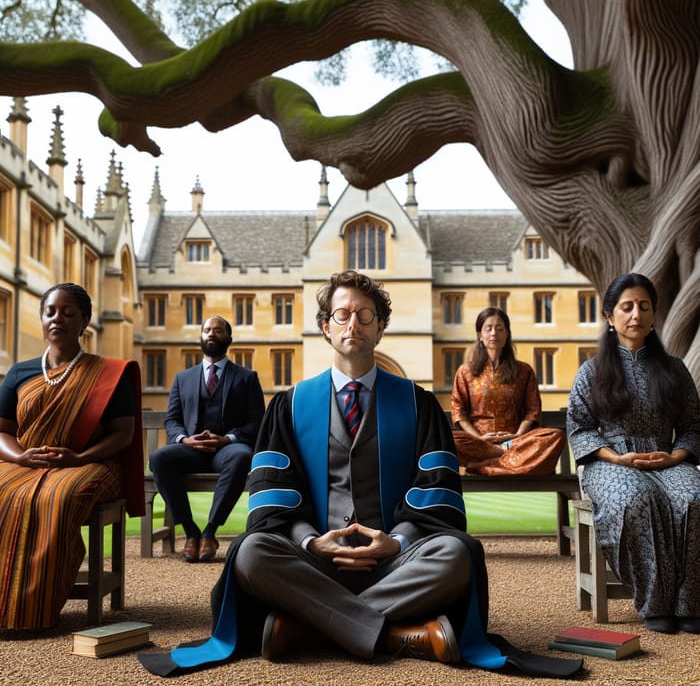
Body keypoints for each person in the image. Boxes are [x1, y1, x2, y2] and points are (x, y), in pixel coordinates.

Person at [139, 270, 581, 679]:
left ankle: (309, 626)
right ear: (326, 327)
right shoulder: (289, 406)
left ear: (380, 326)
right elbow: (272, 494)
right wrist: (312, 541)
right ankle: (400, 634)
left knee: (458, 554)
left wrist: (398, 540)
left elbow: (437, 490)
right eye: (343, 314)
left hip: (396, 562)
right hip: (314, 559)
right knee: (252, 552)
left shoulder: (418, 404)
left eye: (365, 315)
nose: (354, 324)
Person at [0, 283, 143, 629]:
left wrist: (77, 458)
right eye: (50, 312)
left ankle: (35, 609)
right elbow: (2, 430)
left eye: (68, 313)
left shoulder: (108, 374)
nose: (57, 319)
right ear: (42, 318)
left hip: (91, 463)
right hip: (27, 463)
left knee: (57, 496)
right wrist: (19, 458)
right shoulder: (20, 372)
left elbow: (123, 434)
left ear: (85, 321)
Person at [567, 273, 700, 634]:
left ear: (654, 314)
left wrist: (675, 456)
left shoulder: (674, 369)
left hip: (667, 459)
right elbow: (579, 428)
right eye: (626, 307)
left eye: (644, 306)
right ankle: (655, 603)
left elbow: (692, 425)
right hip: (609, 461)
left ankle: (690, 604)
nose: (635, 314)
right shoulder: (591, 371)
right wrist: (615, 458)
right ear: (610, 316)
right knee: (636, 497)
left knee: (694, 497)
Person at [149, 316, 265, 562]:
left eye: (218, 331)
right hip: (191, 450)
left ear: (229, 339)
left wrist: (227, 439)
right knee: (159, 457)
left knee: (242, 455)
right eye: (207, 330)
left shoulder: (246, 377)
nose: (211, 334)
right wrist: (184, 440)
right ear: (200, 337)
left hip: (227, 451)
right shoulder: (183, 378)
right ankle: (191, 532)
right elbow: (172, 419)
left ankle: (210, 530)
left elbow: (256, 421)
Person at [451, 307, 565, 475]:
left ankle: (489, 462)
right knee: (448, 439)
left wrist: (517, 436)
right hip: (479, 443)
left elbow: (532, 410)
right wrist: (479, 439)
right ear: (480, 336)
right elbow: (458, 411)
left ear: (507, 334)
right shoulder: (465, 372)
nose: (493, 334)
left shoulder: (524, 371)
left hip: (514, 441)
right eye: (488, 329)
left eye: (499, 328)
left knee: (555, 436)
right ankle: (501, 457)